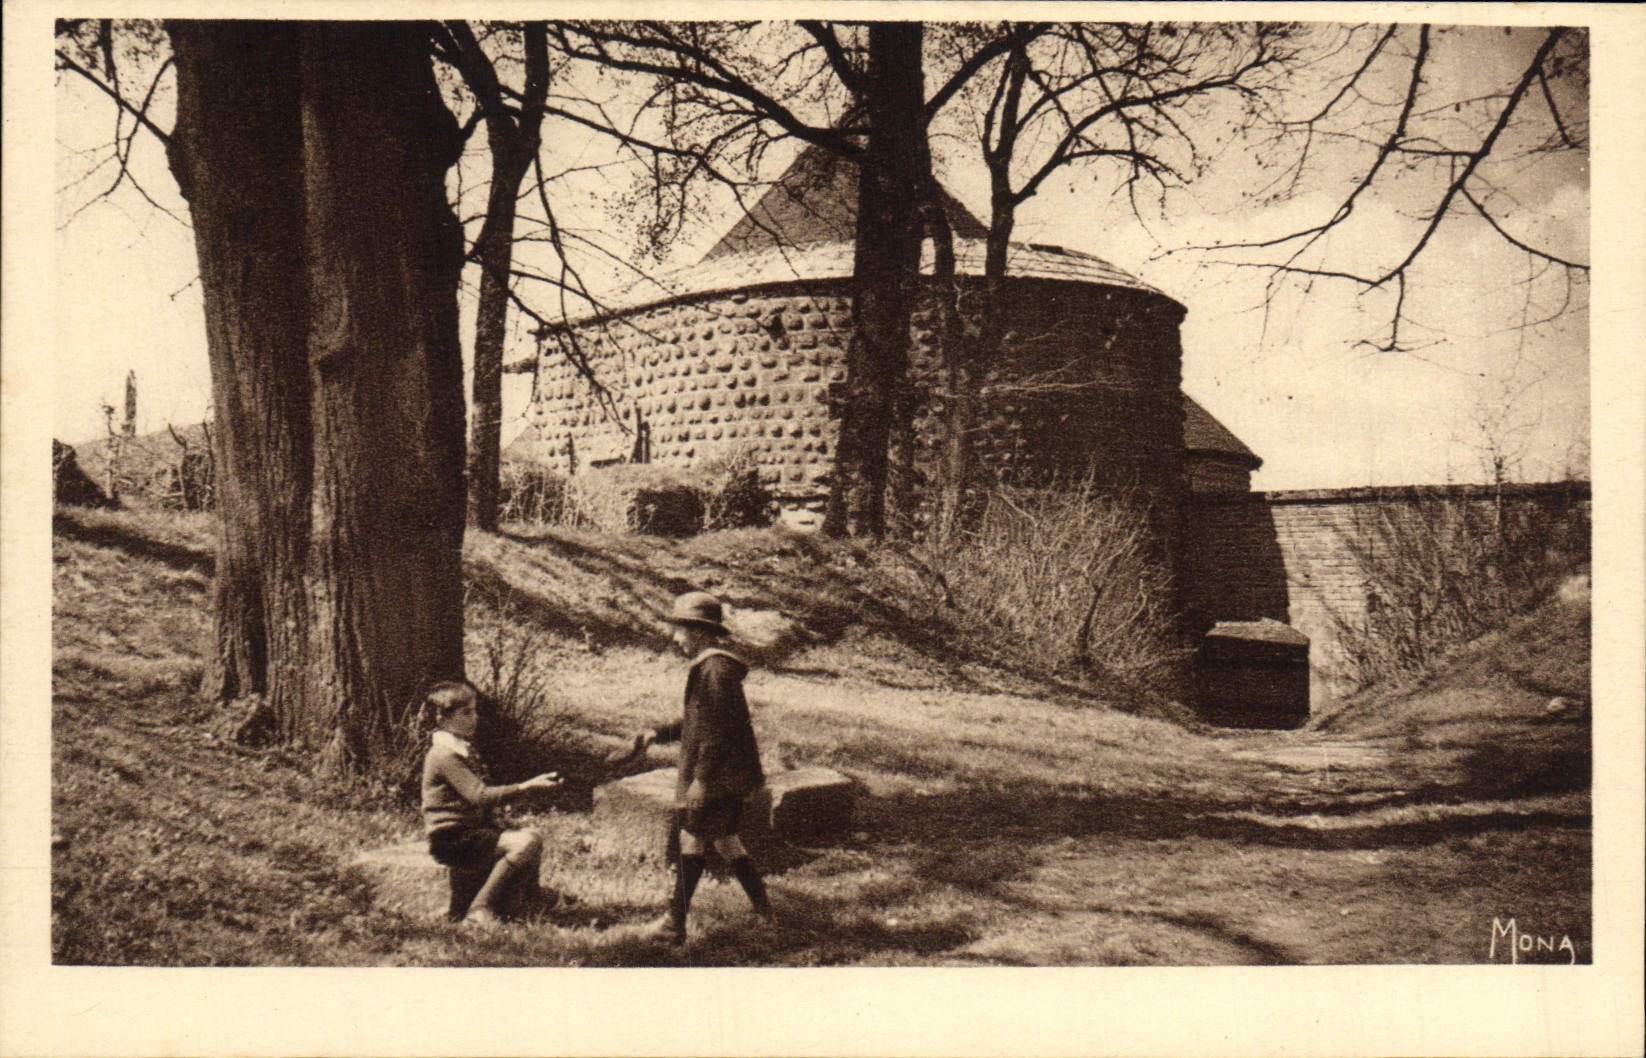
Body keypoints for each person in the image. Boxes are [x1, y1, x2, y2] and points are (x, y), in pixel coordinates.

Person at [626, 591, 771, 944]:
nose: (675, 638)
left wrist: (701, 781)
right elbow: (697, 721)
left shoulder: (715, 671)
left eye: (680, 631)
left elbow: (718, 732)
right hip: (724, 777)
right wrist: (656, 734)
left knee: (691, 838)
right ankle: (766, 913)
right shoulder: (709, 669)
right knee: (726, 842)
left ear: (701, 632)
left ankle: (674, 925)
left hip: (718, 777)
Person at [418, 679, 562, 927]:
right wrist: (526, 786)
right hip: (451, 838)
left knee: (531, 837)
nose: (474, 718)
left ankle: (526, 897)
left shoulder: (459, 749)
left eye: (474, 711)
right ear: (442, 719)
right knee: (526, 842)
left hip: (469, 832)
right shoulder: (444, 755)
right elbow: (479, 795)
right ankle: (480, 907)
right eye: (466, 713)